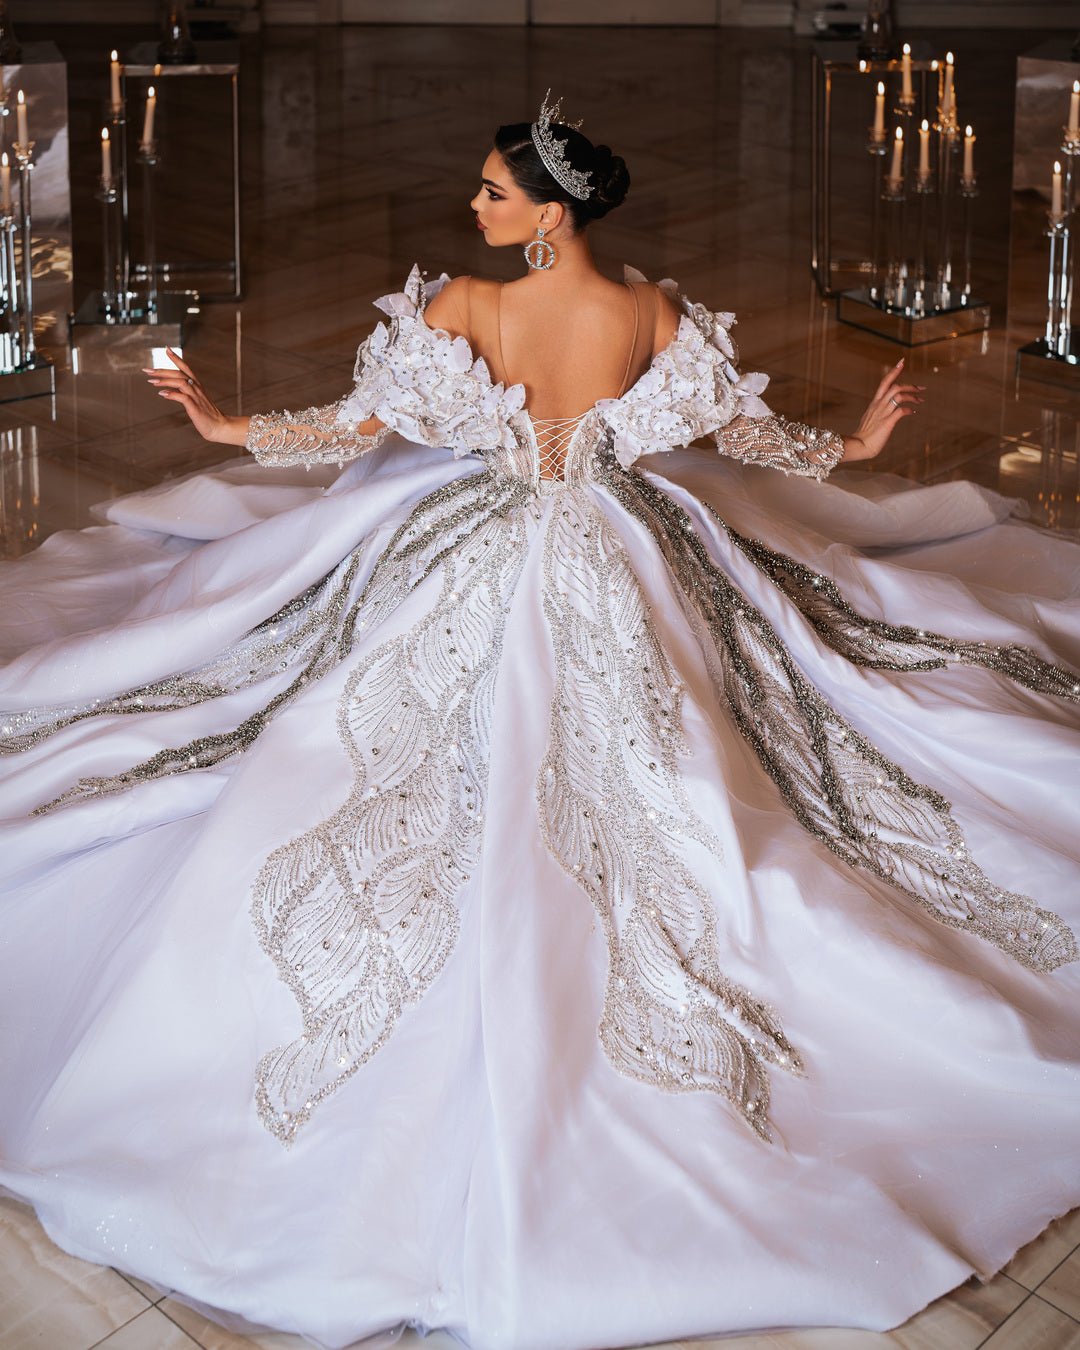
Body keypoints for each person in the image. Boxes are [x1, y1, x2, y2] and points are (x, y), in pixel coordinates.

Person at [1, 90, 1078, 1350]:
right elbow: (758, 436)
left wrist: (226, 424)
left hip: (491, 540)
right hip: (627, 544)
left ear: (550, 214)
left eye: (495, 193)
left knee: (325, 692)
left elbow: (358, 430)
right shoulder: (648, 312)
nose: (475, 206)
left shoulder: (473, 305)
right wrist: (851, 441)